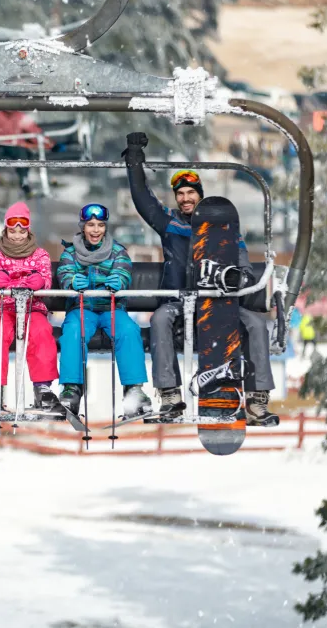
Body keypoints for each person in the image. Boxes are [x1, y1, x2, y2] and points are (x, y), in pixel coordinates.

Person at [122, 132, 278, 427]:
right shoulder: (171, 225)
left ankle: (257, 399)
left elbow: (243, 268)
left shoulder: (226, 231)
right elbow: (142, 198)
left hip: (219, 305)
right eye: (180, 194)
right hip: (182, 302)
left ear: (200, 195)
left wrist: (237, 281)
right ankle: (170, 395)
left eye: (191, 192)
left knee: (256, 324)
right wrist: (134, 158)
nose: (185, 198)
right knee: (159, 320)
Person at [56, 204, 152, 417]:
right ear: (83, 227)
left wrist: (119, 281)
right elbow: (64, 273)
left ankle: (133, 389)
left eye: (100, 225)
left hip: (110, 308)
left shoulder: (117, 250)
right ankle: (72, 388)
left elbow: (124, 270)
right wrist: (71, 281)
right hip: (83, 308)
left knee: (128, 330)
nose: (96, 230)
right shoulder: (70, 252)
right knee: (73, 332)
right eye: (90, 225)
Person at [0, 202, 63, 417]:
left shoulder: (39, 255)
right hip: (2, 307)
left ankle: (43, 387)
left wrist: (38, 281)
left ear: (28, 230)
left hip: (32, 308)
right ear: (6, 230)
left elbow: (45, 279)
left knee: (41, 332)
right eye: (12, 231)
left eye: (21, 231)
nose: (16, 236)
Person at [0, 111, 54, 203]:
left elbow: (35, 132)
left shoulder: (20, 117)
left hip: (17, 146)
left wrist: (52, 144)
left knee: (22, 154)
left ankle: (25, 183)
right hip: (0, 145)